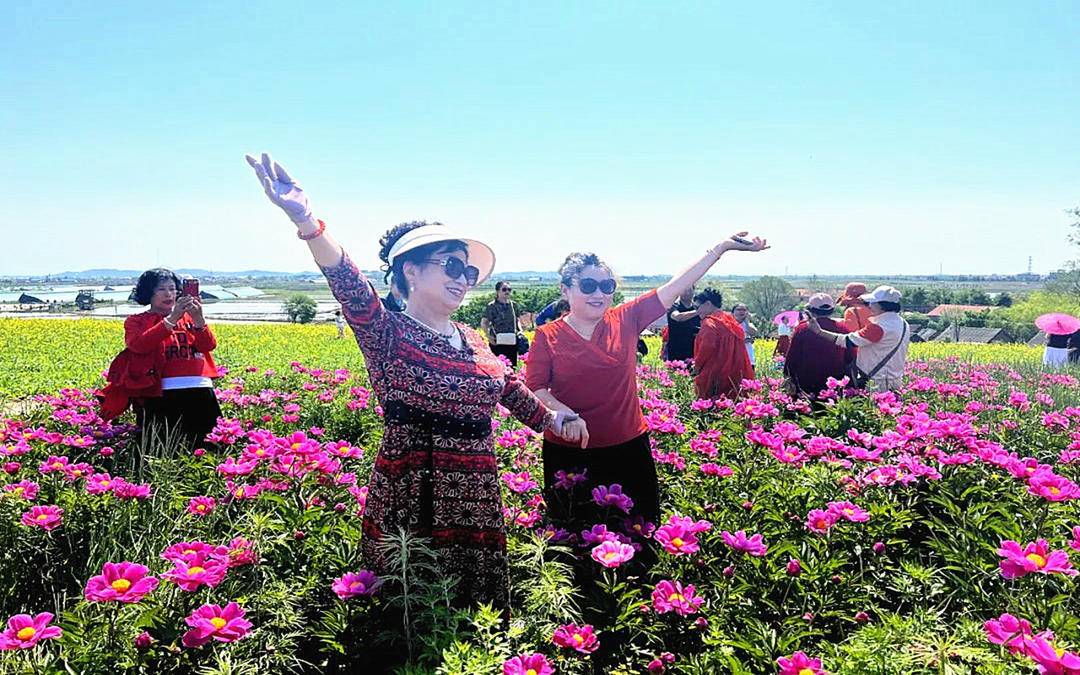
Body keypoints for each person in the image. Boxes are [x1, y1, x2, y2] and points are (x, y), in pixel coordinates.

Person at [245, 153, 584, 612]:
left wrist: (556, 419)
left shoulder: (472, 337)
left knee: (472, 618)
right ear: (411, 269)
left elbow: (513, 394)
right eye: (451, 266)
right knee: (412, 610)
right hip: (413, 487)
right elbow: (347, 282)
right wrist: (307, 221)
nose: (463, 279)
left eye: (468, 271)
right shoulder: (385, 331)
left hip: (476, 491)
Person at [526, 233, 767, 533]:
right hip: (570, 449)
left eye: (606, 286)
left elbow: (677, 284)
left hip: (627, 446)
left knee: (638, 534)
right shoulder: (547, 336)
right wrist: (563, 412)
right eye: (588, 285)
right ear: (565, 290)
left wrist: (721, 248)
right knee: (574, 538)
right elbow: (535, 387)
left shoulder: (626, 318)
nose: (598, 293)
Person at [100, 268, 222, 450]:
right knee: (162, 447)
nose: (169, 294)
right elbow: (139, 345)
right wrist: (172, 318)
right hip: (160, 392)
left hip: (200, 389)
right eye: (162, 290)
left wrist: (199, 319)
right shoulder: (136, 321)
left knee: (208, 446)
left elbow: (208, 346)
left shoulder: (190, 318)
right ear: (149, 293)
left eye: (173, 289)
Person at [805, 285, 910, 391]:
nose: (870, 306)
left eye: (873, 303)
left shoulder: (879, 326)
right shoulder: (903, 323)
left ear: (881, 306)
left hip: (877, 381)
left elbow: (848, 341)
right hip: (894, 379)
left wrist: (820, 332)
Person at [783, 293, 851, 398]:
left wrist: (788, 376)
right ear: (831, 310)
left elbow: (793, 357)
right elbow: (850, 357)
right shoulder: (842, 328)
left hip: (807, 383)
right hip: (836, 383)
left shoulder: (803, 328)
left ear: (810, 310)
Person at [692, 288, 755, 400]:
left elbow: (706, 348)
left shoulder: (709, 323)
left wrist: (697, 366)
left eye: (697, 307)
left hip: (715, 374)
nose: (697, 311)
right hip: (735, 374)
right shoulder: (730, 321)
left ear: (707, 304)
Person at [481, 281, 521, 368]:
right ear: (497, 292)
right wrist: (488, 336)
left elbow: (517, 320)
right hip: (496, 342)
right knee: (496, 367)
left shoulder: (514, 305)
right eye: (504, 289)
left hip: (511, 341)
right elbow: (484, 323)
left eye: (509, 289)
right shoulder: (491, 306)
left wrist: (520, 331)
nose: (507, 292)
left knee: (512, 368)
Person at [665, 284, 700, 362]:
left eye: (690, 290)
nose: (687, 293)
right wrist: (698, 312)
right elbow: (678, 317)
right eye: (685, 290)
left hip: (693, 349)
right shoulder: (673, 307)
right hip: (676, 350)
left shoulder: (697, 308)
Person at [732, 303, 758, 368]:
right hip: (734, 356)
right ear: (733, 312)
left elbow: (753, 332)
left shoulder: (748, 325)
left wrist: (747, 321)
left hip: (748, 355)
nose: (741, 312)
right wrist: (744, 341)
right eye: (739, 309)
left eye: (744, 310)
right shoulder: (729, 324)